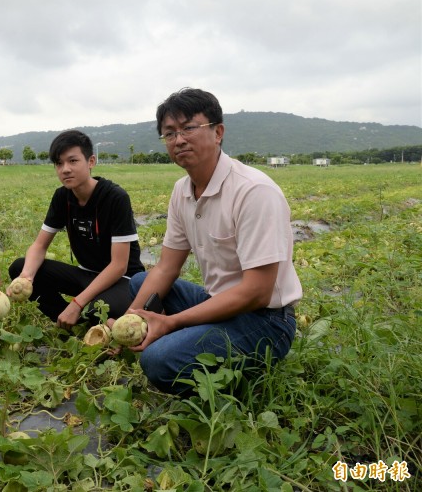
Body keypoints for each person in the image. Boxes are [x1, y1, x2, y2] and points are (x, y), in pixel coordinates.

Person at [114, 88, 302, 394]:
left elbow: (256, 292)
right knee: (141, 283)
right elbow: (166, 268)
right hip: (219, 303)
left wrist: (173, 322)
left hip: (266, 321)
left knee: (157, 361)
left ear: (218, 132)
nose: (179, 140)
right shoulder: (182, 190)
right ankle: (182, 335)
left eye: (189, 128)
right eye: (169, 133)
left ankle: (186, 346)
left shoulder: (254, 191)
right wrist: (129, 322)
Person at [8, 130, 144, 329]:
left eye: (73, 161)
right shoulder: (62, 197)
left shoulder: (115, 197)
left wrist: (78, 303)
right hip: (86, 274)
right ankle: (73, 323)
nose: (65, 169)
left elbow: (119, 266)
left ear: (91, 161)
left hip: (123, 280)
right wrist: (26, 277)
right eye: (59, 163)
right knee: (19, 267)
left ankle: (87, 319)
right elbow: (39, 245)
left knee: (100, 308)